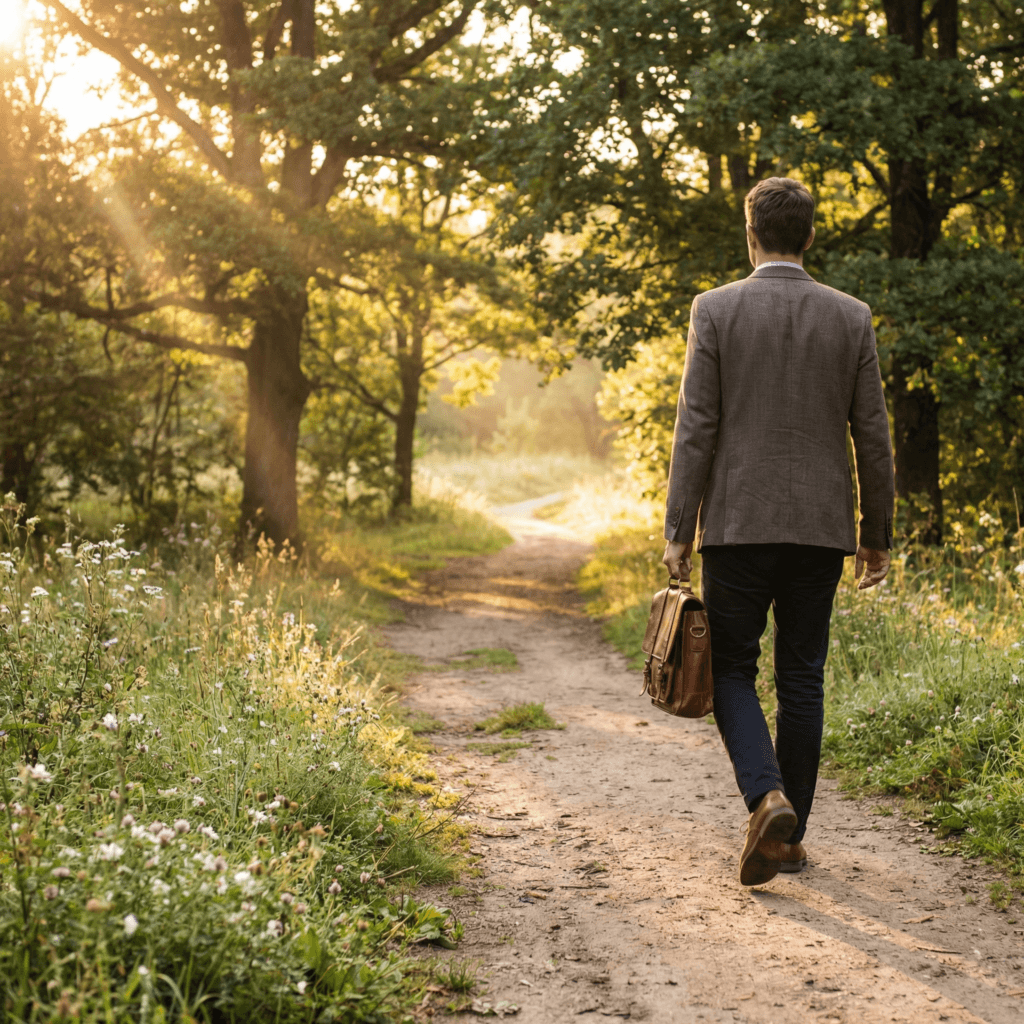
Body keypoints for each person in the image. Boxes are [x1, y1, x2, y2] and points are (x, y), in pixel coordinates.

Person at [661, 177, 895, 887]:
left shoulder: (716, 310)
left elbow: (696, 426)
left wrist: (678, 527)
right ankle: (788, 839)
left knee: (732, 668)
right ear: (811, 237)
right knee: (802, 678)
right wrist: (875, 533)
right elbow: (874, 436)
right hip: (821, 531)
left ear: (751, 234)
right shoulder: (850, 317)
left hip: (735, 526)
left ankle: (767, 799)